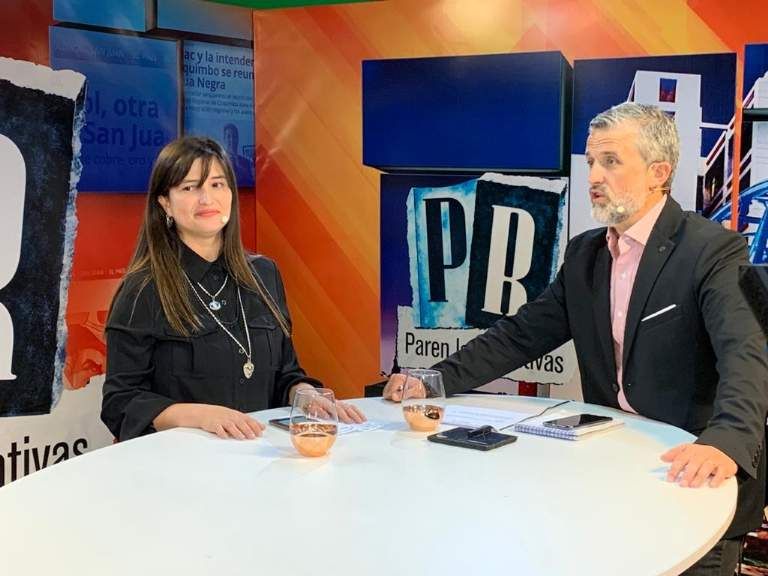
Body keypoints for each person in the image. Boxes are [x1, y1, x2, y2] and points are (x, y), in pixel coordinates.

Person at [384, 103, 768, 575]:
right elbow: (520, 336)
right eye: (591, 162)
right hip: (614, 469)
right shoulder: (585, 253)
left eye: (611, 161)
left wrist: (726, 441)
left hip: (691, 473)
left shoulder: (712, 249)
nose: (594, 176)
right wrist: (435, 379)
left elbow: (745, 352)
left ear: (659, 172)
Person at [102, 136, 364, 442]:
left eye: (217, 184)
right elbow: (121, 402)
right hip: (184, 459)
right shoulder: (142, 288)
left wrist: (307, 396)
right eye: (189, 188)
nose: (207, 199)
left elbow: (285, 374)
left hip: (260, 452)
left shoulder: (264, 274)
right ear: (165, 202)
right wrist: (202, 416)